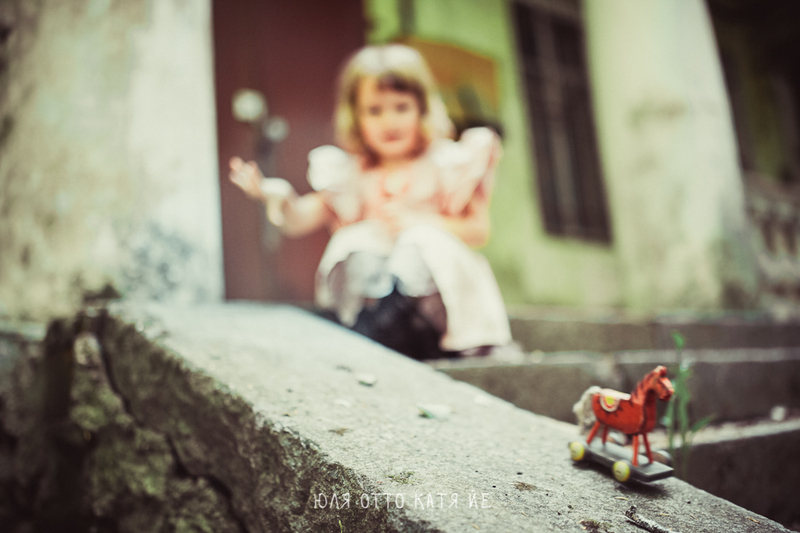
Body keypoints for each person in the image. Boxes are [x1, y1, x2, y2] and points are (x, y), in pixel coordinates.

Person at [229, 44, 513, 359]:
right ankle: (377, 323)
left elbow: (479, 230)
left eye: (401, 107)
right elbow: (303, 217)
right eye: (375, 111)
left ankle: (414, 329)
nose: (389, 122)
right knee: (355, 241)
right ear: (356, 116)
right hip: (379, 304)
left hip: (436, 310)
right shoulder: (353, 173)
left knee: (420, 241)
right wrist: (279, 197)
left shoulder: (445, 165)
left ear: (422, 109)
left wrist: (425, 222)